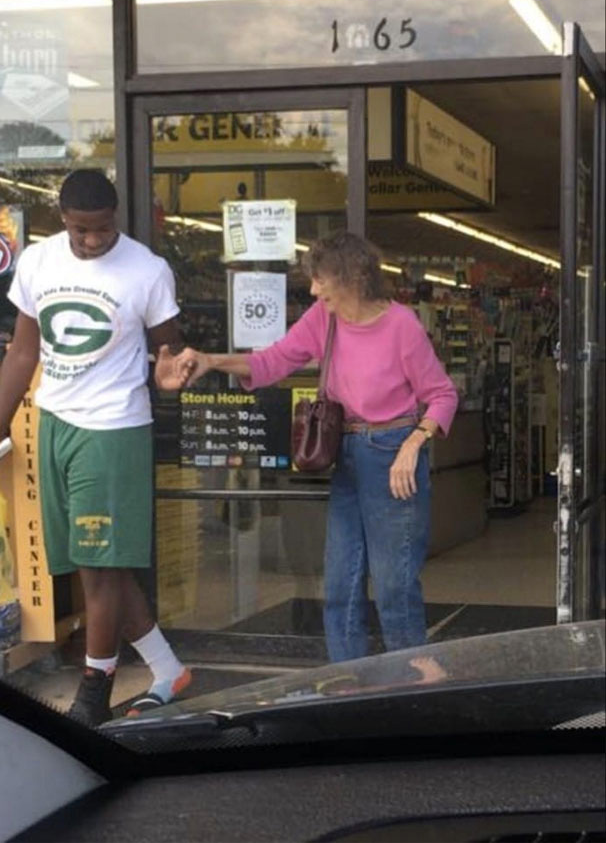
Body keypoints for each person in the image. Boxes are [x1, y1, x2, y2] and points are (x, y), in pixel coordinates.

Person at [0, 168, 191, 726]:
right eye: (79, 230)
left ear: (116, 219)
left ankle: (96, 688)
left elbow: (172, 349)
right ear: (61, 220)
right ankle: (169, 671)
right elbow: (23, 353)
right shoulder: (39, 262)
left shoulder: (147, 270)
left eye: (102, 230)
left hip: (114, 428)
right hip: (55, 424)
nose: (92, 241)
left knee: (99, 567)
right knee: (97, 565)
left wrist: (170, 371)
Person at [172, 231, 458, 663]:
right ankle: (350, 680)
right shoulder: (323, 319)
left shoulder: (401, 326)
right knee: (341, 582)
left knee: (394, 584)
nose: (313, 289)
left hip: (392, 450)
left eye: (321, 279)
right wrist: (212, 361)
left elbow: (442, 395)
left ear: (353, 277)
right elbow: (273, 360)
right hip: (345, 452)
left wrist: (414, 443)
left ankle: (412, 681)